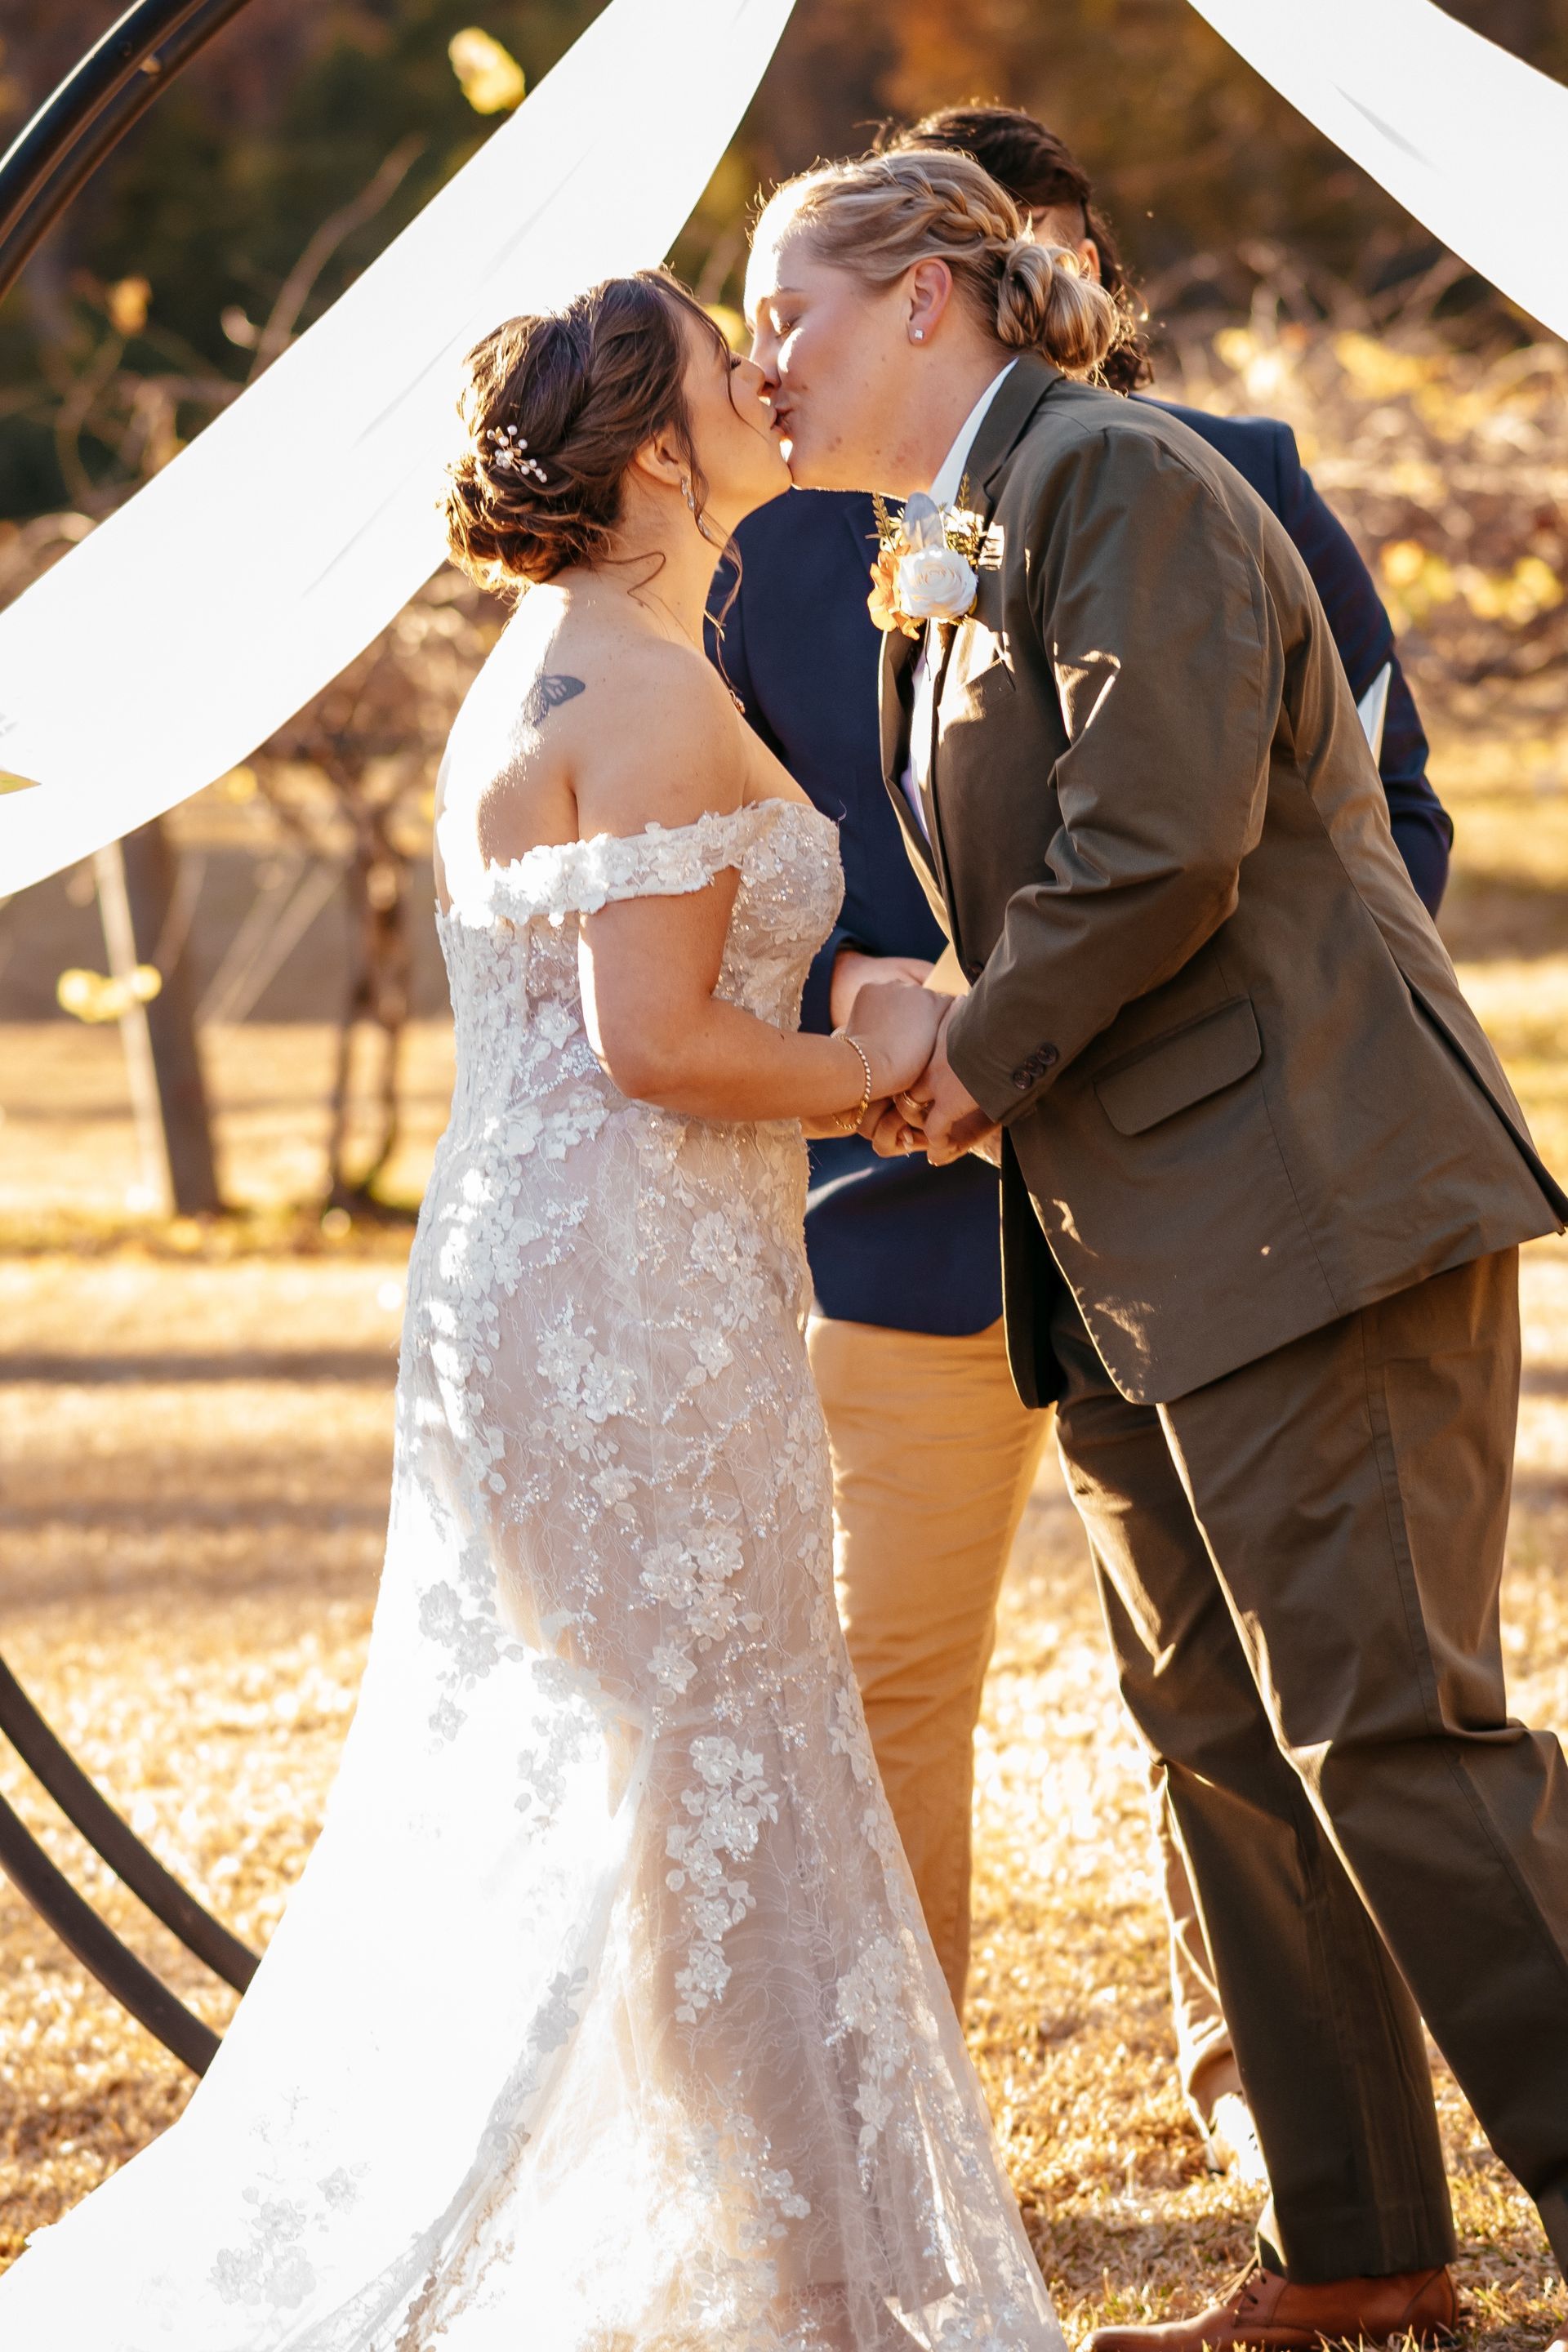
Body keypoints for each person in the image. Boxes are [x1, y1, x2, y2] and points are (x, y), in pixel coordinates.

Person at [0, 270, 1064, 2352]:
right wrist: (906, 1070)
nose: (767, 381)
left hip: (572, 1276)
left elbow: (668, 1012)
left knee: (664, 1769)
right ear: (661, 449)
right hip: (629, 1309)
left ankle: (767, 2253)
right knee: (703, 1758)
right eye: (718, 364)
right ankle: (791, 2277)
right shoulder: (646, 696)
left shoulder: (562, 665)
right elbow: (659, 1044)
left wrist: (851, 998)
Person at [744, 146, 1568, 2352]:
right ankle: (1360, 2247)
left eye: (787, 311)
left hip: (1309, 1201)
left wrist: (972, 1052)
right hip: (1128, 1247)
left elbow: (1156, 836)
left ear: (929, 297)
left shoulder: (1123, 478)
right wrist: (955, 1049)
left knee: (1394, 1738)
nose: (757, 362)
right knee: (1215, 1727)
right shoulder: (953, 538)